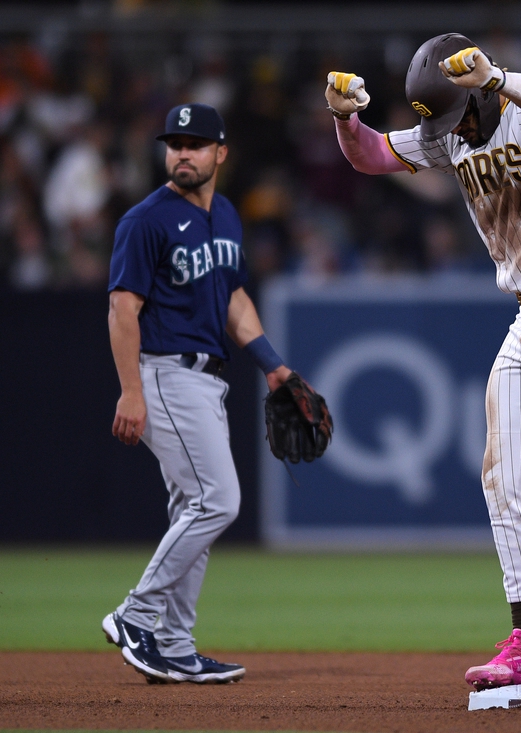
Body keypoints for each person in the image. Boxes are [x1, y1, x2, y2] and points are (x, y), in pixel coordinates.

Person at [325, 34, 521, 695]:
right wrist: (343, 117)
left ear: (476, 90)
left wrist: (499, 76)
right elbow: (372, 155)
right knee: (502, 479)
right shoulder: (449, 134)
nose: (446, 132)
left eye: (451, 113)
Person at [102, 103, 293, 684]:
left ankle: (175, 645)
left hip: (208, 379)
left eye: (196, 143)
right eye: (175, 143)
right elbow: (121, 307)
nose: (184, 152)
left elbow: (232, 299)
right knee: (219, 501)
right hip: (164, 372)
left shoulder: (227, 214)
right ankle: (137, 613)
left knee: (195, 509)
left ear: (220, 153)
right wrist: (129, 390)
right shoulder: (146, 220)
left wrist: (274, 367)